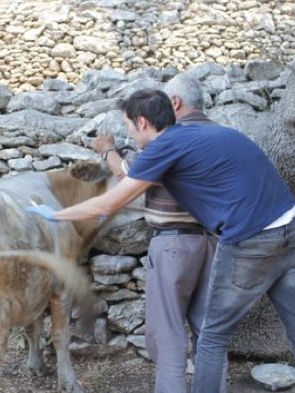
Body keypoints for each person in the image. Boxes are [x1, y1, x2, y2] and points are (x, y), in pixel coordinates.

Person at [26, 89, 295, 393]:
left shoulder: (163, 148)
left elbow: (109, 204)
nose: (129, 134)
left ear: (143, 122)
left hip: (249, 241)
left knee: (212, 336)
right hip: (290, 227)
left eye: (129, 126)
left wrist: (56, 215)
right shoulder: (208, 134)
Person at [93, 74, 224, 393]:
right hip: (214, 243)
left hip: (175, 245)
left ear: (175, 103)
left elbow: (130, 177)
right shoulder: (221, 136)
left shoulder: (170, 141)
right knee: (209, 332)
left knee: (168, 339)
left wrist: (108, 150)